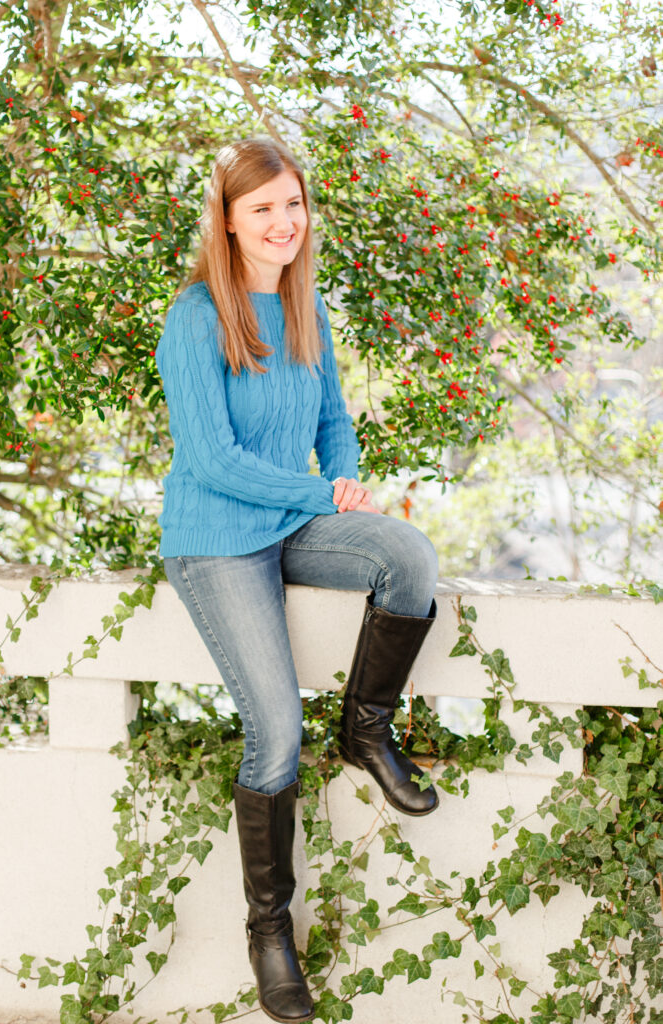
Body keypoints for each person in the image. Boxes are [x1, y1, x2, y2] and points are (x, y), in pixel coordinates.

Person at [156, 136, 440, 1024]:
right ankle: (268, 931)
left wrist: (344, 482)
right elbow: (212, 460)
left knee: (408, 556)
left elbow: (333, 419)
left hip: (292, 523)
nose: (283, 222)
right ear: (230, 221)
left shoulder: (306, 307)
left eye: (293, 204)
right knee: (275, 726)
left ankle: (366, 729)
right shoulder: (198, 317)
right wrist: (318, 490)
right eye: (261, 208)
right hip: (218, 539)